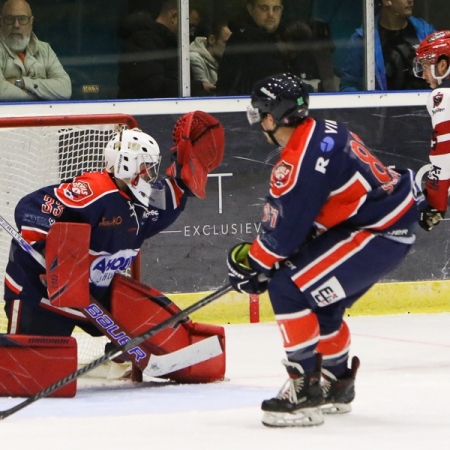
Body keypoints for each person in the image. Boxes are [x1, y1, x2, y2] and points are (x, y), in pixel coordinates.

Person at [227, 73, 422, 427]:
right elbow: (311, 221)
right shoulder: (327, 129)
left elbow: (283, 237)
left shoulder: (296, 162)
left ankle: (304, 391)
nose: (257, 119)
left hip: (377, 231)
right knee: (321, 299)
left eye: (259, 111)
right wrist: (262, 260)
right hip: (386, 224)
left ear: (272, 117)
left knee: (287, 287)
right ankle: (336, 382)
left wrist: (255, 265)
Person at [3, 112, 225, 381]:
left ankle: (117, 354)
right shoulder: (95, 190)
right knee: (31, 374)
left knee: (135, 307)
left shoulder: (143, 204)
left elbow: (170, 196)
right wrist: (41, 244)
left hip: (91, 295)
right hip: (41, 293)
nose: (150, 174)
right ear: (127, 165)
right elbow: (34, 205)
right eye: (146, 167)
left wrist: (186, 169)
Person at [340, 0, 435, 91]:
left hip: (425, 104)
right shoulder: (363, 39)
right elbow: (350, 84)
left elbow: (444, 69)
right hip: (384, 107)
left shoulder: (426, 32)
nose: (411, 0)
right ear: (386, 1)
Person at [413, 31, 450, 231]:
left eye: (426, 67)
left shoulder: (444, 95)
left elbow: (444, 156)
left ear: (442, 65)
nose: (424, 74)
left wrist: (436, 202)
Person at [0, 0, 71, 101]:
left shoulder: (44, 49)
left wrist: (21, 82)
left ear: (31, 22)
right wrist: (39, 96)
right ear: (1, 22)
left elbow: (65, 88)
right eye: (10, 19)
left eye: (22, 19)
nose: (16, 25)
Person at [216, 0, 289, 95]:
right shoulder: (246, 40)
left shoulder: (274, 38)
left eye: (276, 9)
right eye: (264, 8)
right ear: (250, 9)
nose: (271, 14)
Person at [117, 0, 179, 99]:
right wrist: (198, 87)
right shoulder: (143, 40)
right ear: (174, 17)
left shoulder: (167, 42)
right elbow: (154, 86)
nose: (191, 33)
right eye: (190, 26)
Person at [190, 19, 232, 95]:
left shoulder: (223, 59)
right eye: (226, 42)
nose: (230, 47)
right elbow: (207, 91)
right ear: (212, 39)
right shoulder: (195, 58)